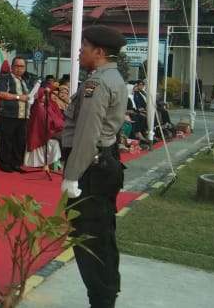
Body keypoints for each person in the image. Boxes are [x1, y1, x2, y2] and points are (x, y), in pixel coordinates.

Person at [61, 25, 128, 308]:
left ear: (99, 52)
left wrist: (72, 175)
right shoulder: (112, 77)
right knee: (102, 235)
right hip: (102, 163)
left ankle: (101, 299)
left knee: (90, 239)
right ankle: (105, 295)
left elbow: (87, 134)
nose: (80, 51)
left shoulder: (97, 84)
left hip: (91, 169)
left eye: (85, 46)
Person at [0, 56, 31, 173]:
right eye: (17, 66)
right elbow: (1, 93)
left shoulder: (24, 81)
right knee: (6, 140)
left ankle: (16, 163)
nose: (20, 69)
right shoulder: (5, 79)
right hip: (8, 114)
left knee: (19, 141)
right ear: (12, 67)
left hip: (22, 115)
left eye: (22, 66)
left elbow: (27, 96)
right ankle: (4, 163)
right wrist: (19, 97)